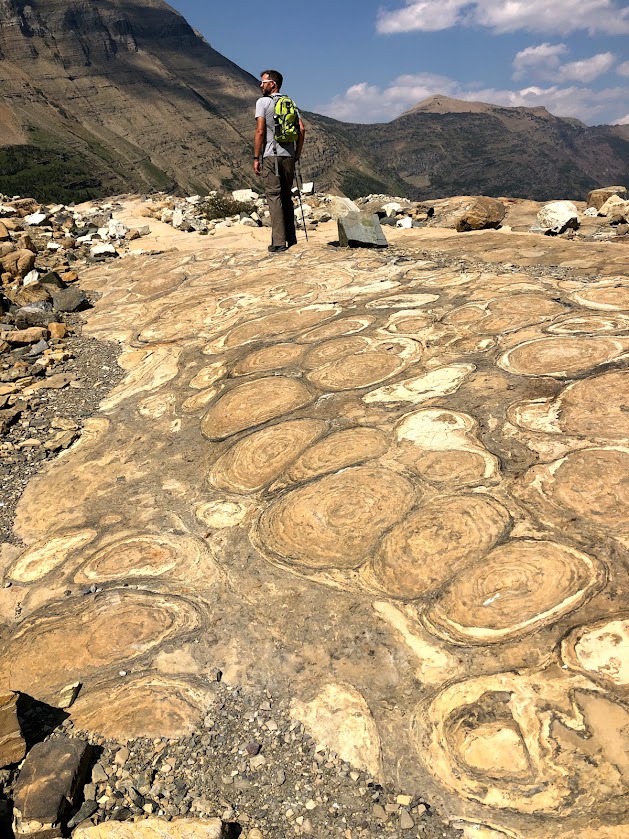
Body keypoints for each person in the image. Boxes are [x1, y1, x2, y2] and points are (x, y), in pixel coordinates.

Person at [254, 70, 305, 253]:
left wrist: (256, 157)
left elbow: (260, 131)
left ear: (273, 84)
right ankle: (291, 238)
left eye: (264, 82)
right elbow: (301, 128)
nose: (261, 85)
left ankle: (278, 242)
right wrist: (296, 153)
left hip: (271, 156)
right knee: (286, 196)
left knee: (274, 196)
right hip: (289, 156)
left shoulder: (263, 102)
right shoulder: (290, 102)